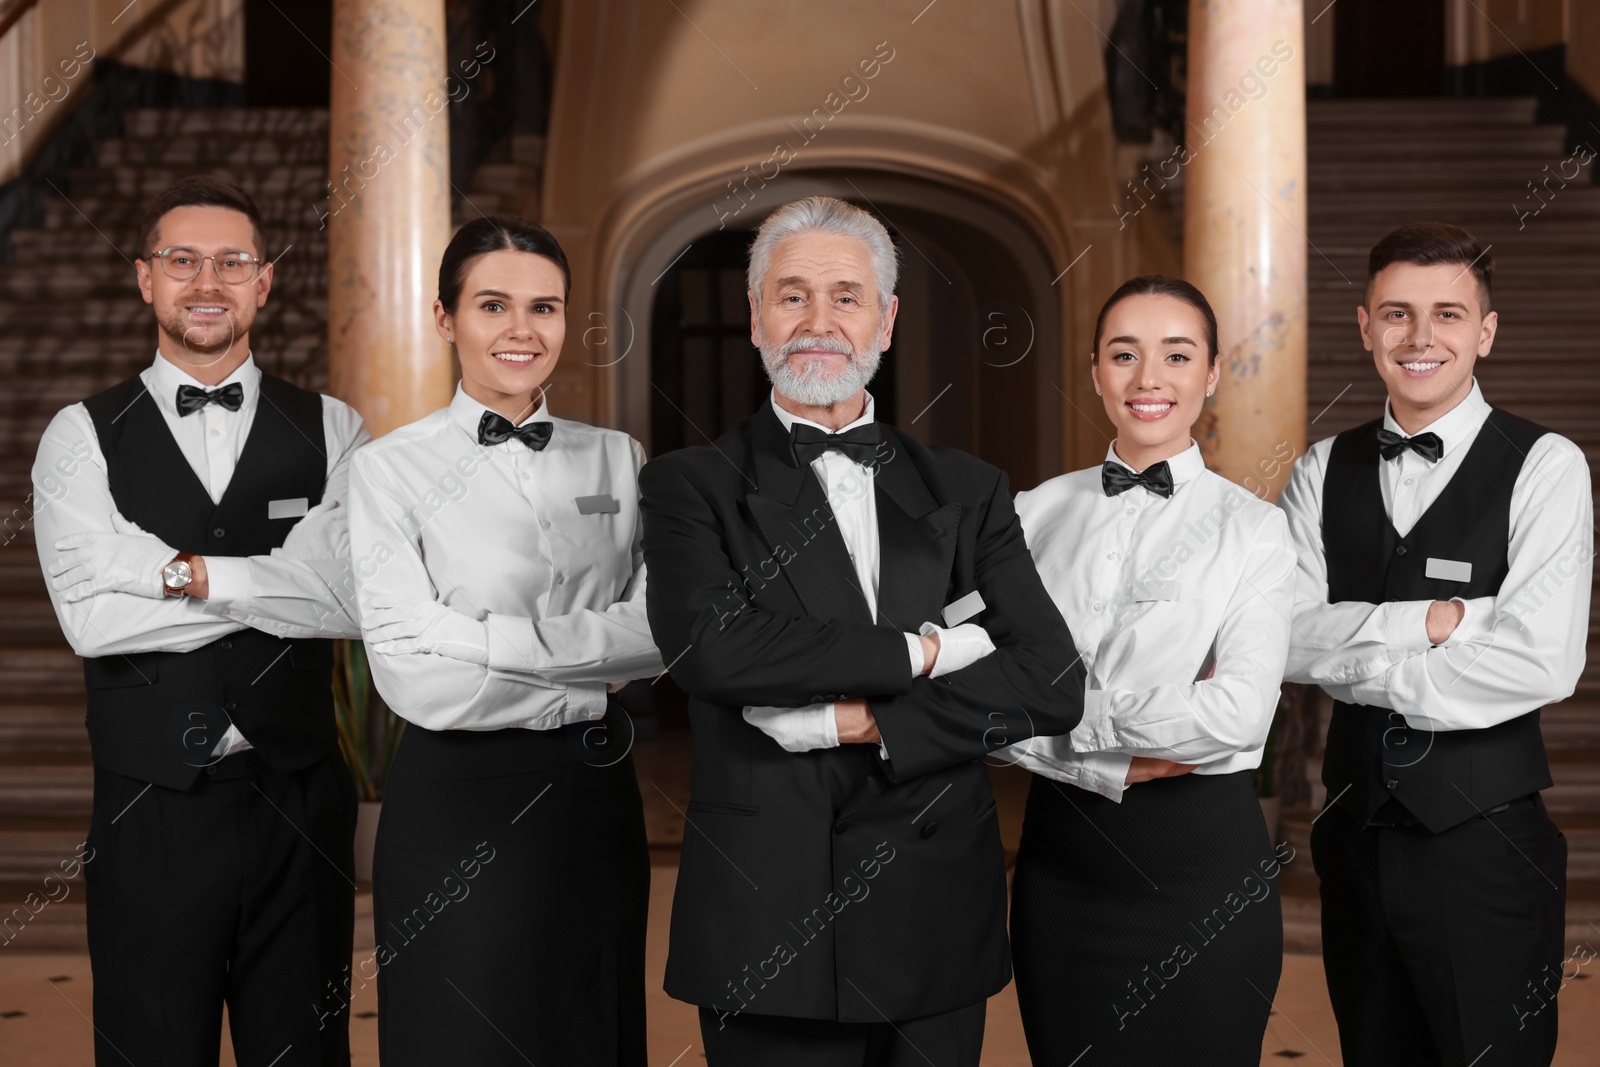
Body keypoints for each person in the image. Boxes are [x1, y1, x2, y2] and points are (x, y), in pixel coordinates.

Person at [638, 195, 1086, 1066]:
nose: (819, 321)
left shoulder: (968, 486)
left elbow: (1050, 679)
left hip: (933, 910)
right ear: (756, 313)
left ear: (885, 319)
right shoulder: (689, 483)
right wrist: (923, 653)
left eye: (846, 295)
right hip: (768, 909)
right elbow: (713, 649)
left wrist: (868, 719)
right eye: (792, 293)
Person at [32, 176, 368, 1065]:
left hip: (299, 801)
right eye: (183, 260)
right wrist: (274, 592)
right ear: (147, 279)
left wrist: (178, 576)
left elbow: (347, 602)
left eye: (232, 262)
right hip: (151, 809)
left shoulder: (336, 427)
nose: (206, 281)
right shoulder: (79, 433)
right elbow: (91, 623)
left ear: (265, 282)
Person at [348, 216, 662, 1066]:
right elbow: (412, 674)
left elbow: (660, 632)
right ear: (446, 318)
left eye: (545, 307)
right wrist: (593, 676)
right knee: (460, 1039)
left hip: (595, 793)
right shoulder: (387, 470)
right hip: (456, 796)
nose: (522, 330)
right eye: (493, 305)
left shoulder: (620, 460)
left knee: (590, 1035)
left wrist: (476, 637)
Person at [1279, 222, 1588, 1067]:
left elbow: (1541, 661)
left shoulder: (1546, 465)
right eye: (1397, 313)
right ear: (1364, 324)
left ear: (1485, 331)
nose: (1420, 338)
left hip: (1484, 837)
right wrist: (1436, 623)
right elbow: (1285, 639)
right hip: (1352, 831)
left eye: (1448, 314)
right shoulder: (1318, 469)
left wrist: (1362, 666)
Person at [1004, 275, 1293, 1063]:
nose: (1148, 379)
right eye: (1124, 355)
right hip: (1059, 867)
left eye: (1176, 354)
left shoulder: (1257, 531)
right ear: (1095, 371)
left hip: (1200, 868)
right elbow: (978, 697)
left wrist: (1060, 717)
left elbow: (1238, 717)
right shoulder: (1032, 513)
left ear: (1212, 372)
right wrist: (1131, 738)